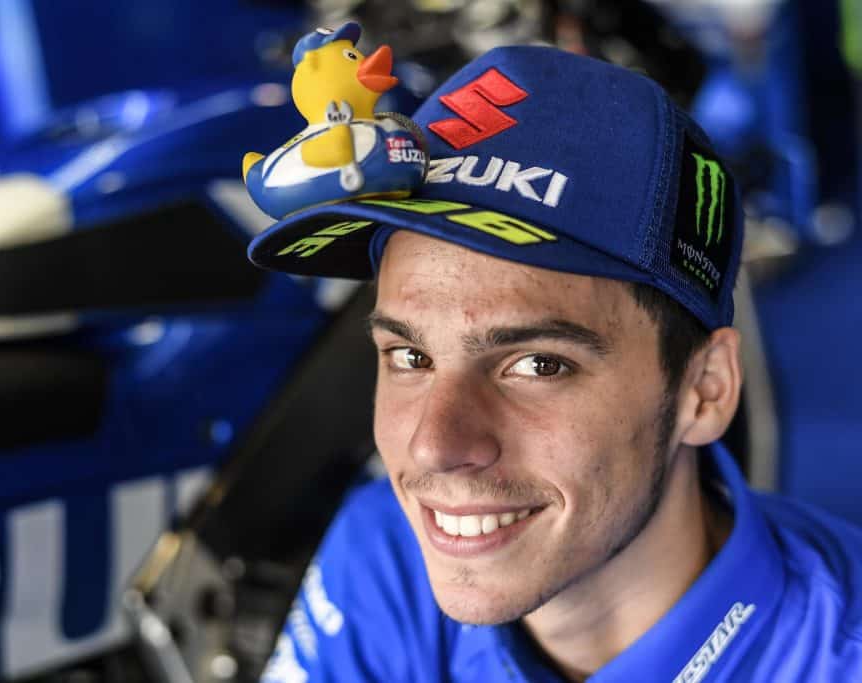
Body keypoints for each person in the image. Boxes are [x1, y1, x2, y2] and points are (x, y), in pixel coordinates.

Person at [247, 41, 862, 682]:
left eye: (539, 365)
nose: (434, 447)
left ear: (705, 390)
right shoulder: (386, 551)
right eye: (410, 355)